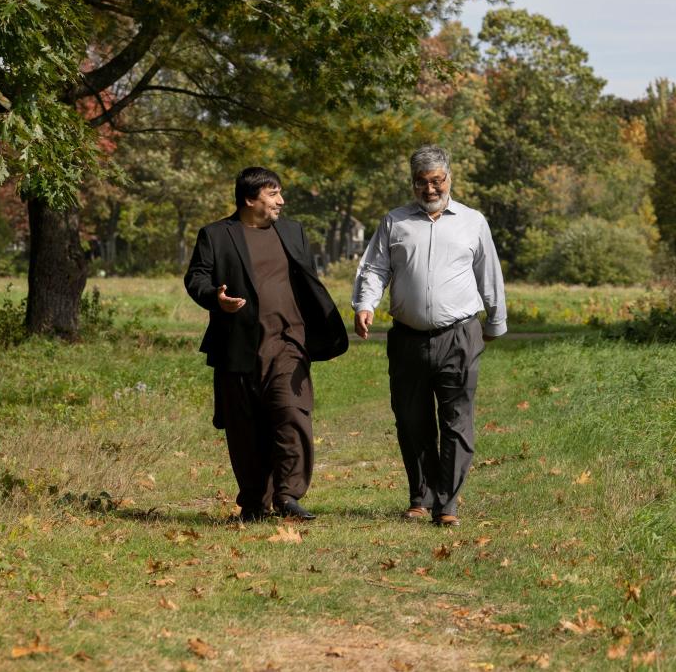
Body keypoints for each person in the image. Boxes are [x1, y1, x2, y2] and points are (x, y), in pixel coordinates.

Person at [352, 145, 506, 527]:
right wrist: (365, 304)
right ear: (413, 184)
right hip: (407, 339)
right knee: (411, 419)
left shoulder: (473, 222)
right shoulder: (395, 222)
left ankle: (447, 504)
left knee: (456, 421)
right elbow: (374, 269)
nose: (429, 189)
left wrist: (495, 322)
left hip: (459, 335)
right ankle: (419, 497)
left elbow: (489, 274)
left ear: (449, 178)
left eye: (436, 180)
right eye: (421, 182)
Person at [185, 167, 348, 522]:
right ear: (249, 199)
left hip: (288, 342)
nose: (281, 201)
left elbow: (307, 280)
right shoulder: (216, 235)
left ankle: (288, 495)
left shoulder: (292, 232)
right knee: (245, 428)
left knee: (291, 414)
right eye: (273, 194)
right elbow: (196, 277)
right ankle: (255, 502)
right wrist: (215, 297)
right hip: (238, 346)